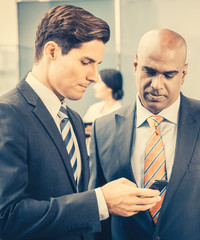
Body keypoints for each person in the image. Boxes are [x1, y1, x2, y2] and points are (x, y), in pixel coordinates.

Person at [0, 5, 160, 240]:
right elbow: (7, 218)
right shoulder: (8, 114)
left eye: (97, 64)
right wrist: (100, 201)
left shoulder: (73, 120)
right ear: (52, 52)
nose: (94, 76)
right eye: (86, 62)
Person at [89, 28, 200, 240]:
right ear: (135, 65)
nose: (157, 85)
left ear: (183, 74)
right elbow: (96, 218)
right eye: (149, 72)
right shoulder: (103, 128)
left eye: (169, 75)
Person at [83, 69, 123, 146]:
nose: (94, 87)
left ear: (110, 86)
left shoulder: (121, 114)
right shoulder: (93, 108)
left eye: (99, 83)